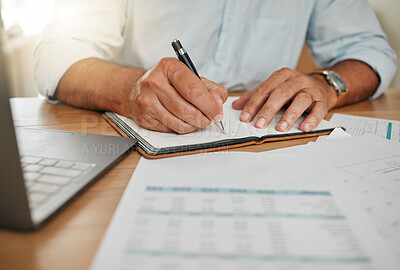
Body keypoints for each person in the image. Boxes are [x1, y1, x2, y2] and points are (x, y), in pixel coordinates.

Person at [34, 0, 397, 134]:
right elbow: (56, 55)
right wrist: (130, 90)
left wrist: (327, 83)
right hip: (137, 140)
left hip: (265, 142)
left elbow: (370, 51)